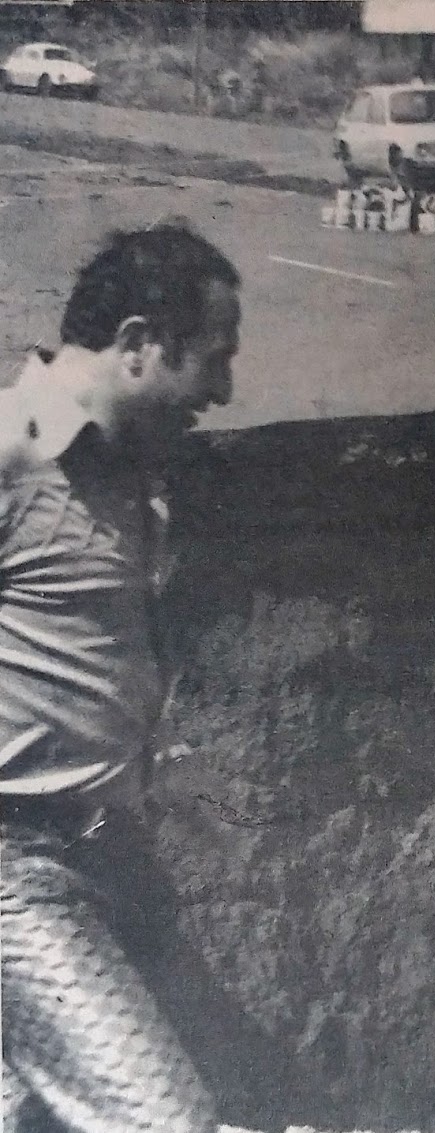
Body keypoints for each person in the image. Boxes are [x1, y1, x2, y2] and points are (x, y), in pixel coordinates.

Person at [1, 221, 241, 1133]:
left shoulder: (130, 472)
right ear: (138, 343)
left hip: (99, 857)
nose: (224, 389)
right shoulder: (10, 453)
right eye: (212, 359)